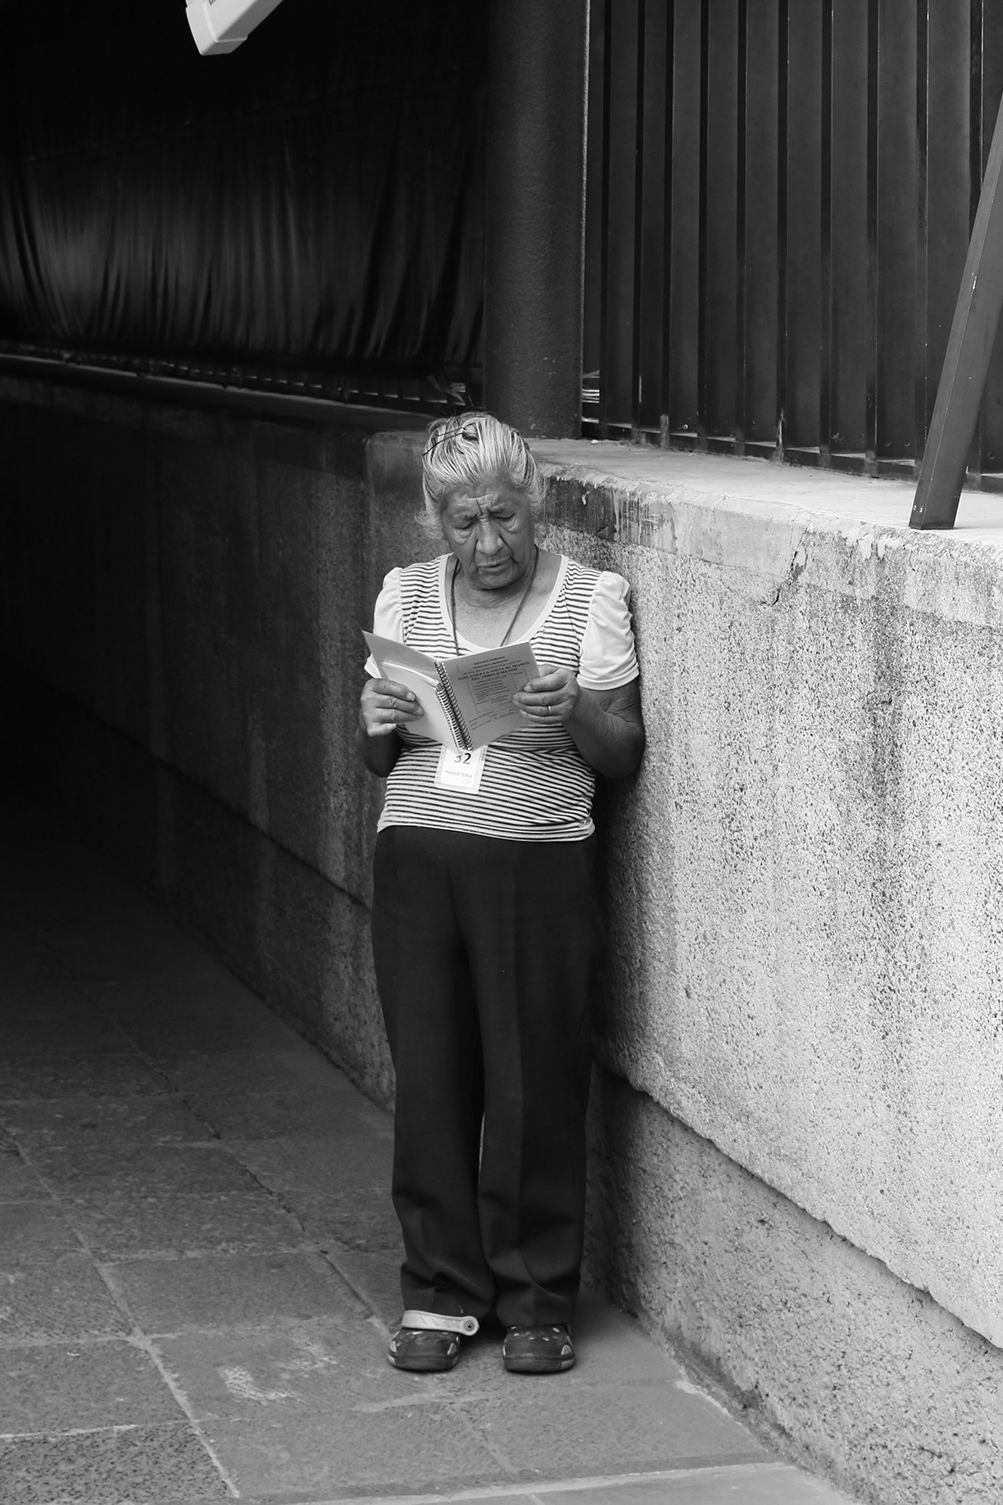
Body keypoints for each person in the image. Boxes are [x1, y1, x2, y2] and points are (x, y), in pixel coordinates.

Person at [358, 412, 645, 1376]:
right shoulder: (403, 597)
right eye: (466, 522)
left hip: (535, 862)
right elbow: (375, 759)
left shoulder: (589, 598)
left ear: (539, 508)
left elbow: (624, 754)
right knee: (432, 1076)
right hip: (417, 859)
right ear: (437, 520)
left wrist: (573, 712)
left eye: (507, 519)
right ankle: (439, 1292)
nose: (489, 543)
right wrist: (375, 714)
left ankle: (536, 1296)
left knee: (532, 1081)